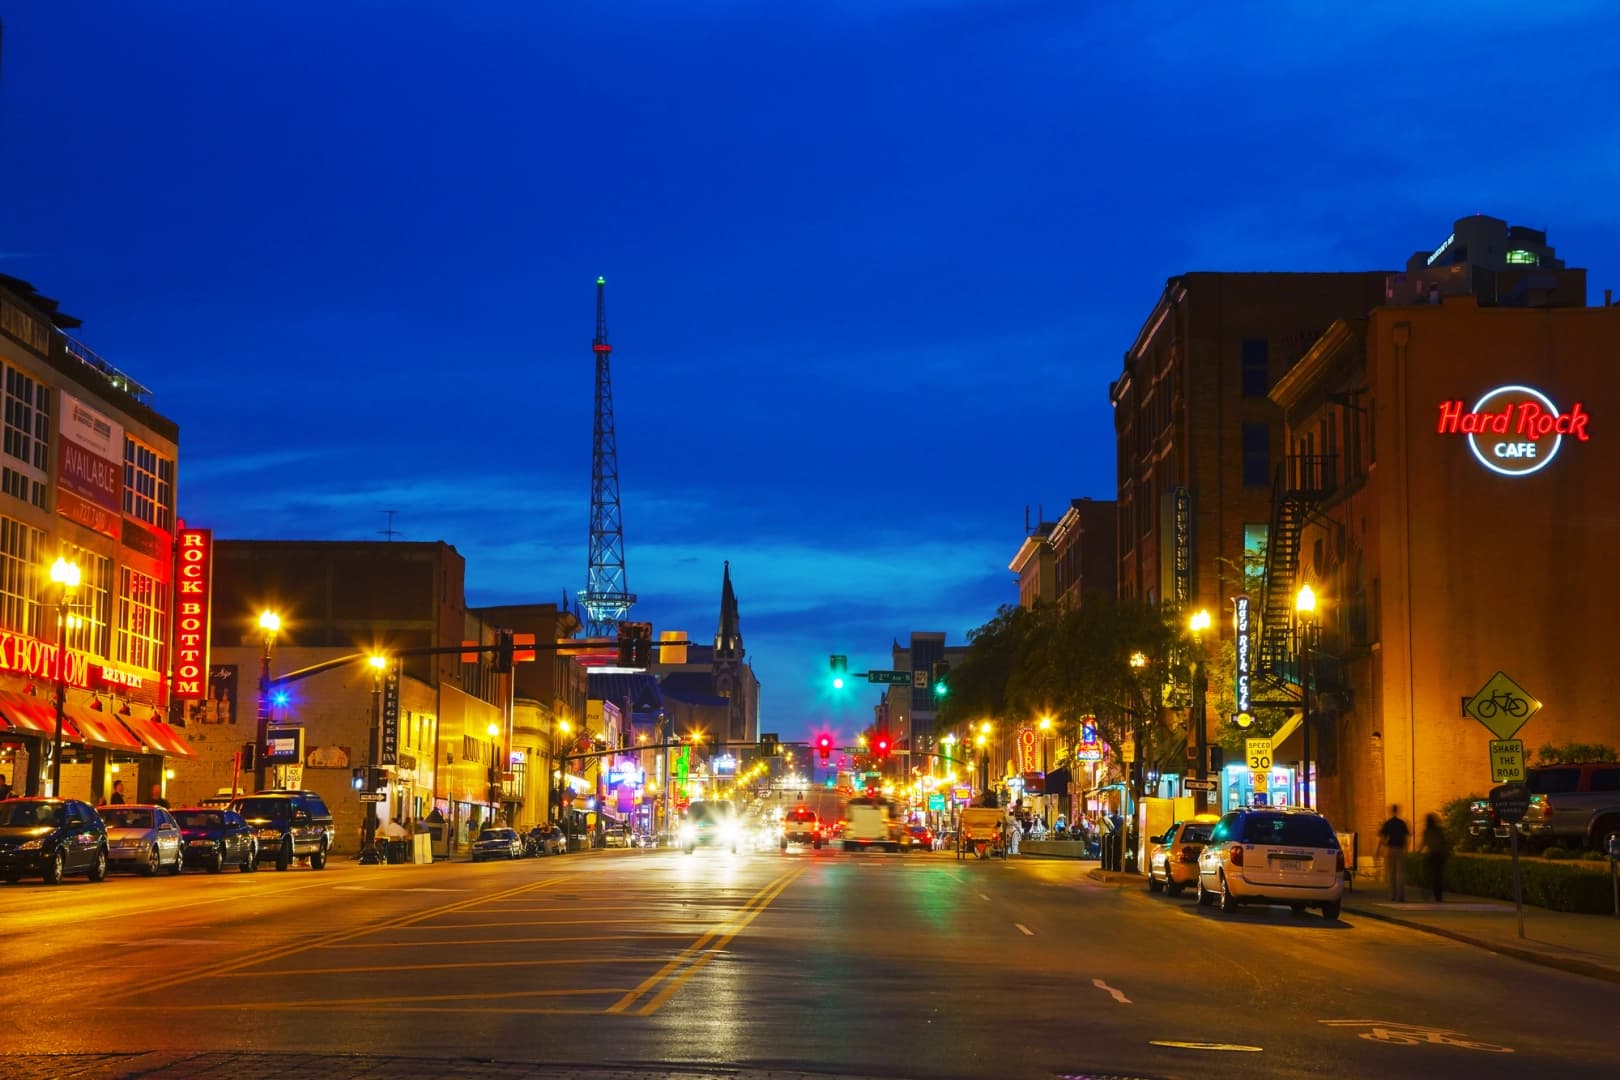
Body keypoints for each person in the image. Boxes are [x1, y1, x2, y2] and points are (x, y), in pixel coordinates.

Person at [1377, 804, 1410, 901]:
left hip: (1390, 849)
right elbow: (1406, 838)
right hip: (1400, 849)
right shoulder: (1402, 823)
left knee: (1391, 873)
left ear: (1391, 811)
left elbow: (1382, 838)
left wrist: (1378, 850)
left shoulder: (1388, 823)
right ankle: (1401, 896)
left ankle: (1392, 895)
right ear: (1398, 811)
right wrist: (1406, 850)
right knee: (1400, 873)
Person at [1420, 812, 1450, 903]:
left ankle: (1427, 893)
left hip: (1432, 855)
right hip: (1440, 855)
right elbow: (1444, 841)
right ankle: (1438, 896)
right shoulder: (1438, 830)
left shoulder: (1426, 831)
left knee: (1429, 875)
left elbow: (1424, 843)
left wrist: (1418, 851)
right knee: (1438, 876)